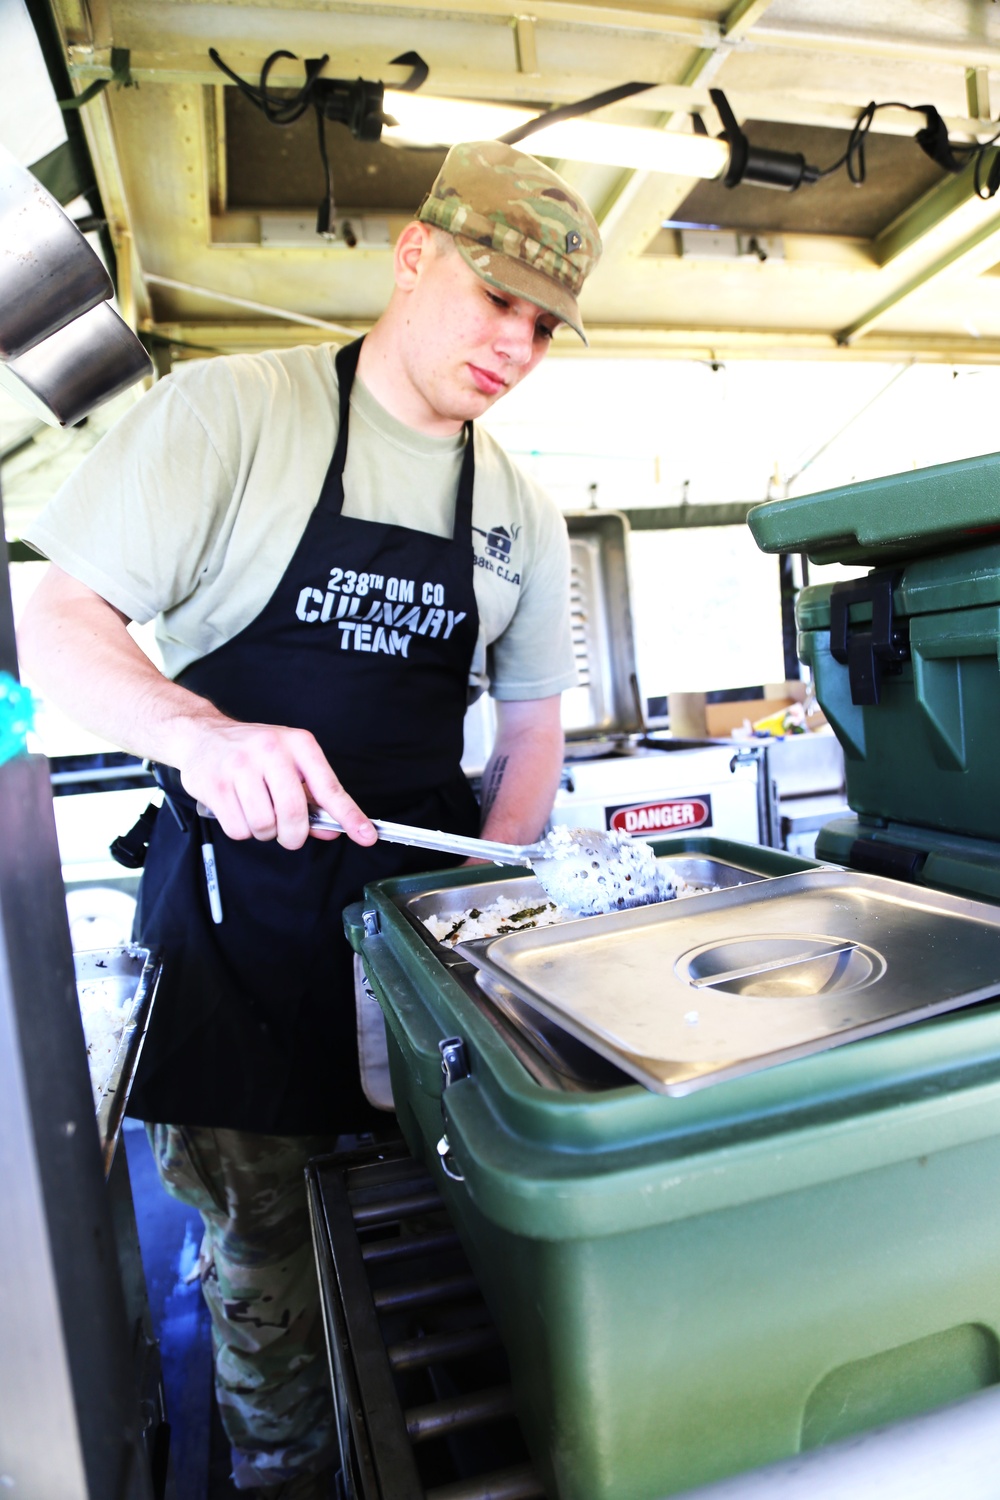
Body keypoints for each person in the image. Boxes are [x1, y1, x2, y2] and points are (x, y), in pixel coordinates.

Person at [17, 139, 601, 1499]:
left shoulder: (521, 509)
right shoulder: (232, 415)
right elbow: (55, 623)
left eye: (543, 322)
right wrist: (194, 732)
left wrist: (489, 912)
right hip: (243, 935)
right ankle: (282, 1471)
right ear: (413, 255)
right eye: (492, 295)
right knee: (265, 1265)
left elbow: (528, 732)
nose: (515, 342)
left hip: (425, 950)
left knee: (449, 1233)